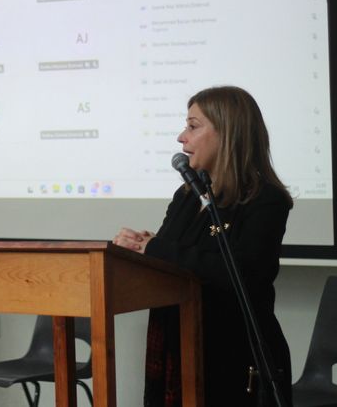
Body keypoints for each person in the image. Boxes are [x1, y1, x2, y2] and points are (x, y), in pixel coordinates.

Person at [113, 86, 293, 407]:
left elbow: (244, 273)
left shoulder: (266, 200)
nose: (181, 138)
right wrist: (136, 250)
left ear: (228, 133)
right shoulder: (185, 197)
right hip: (177, 346)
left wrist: (154, 248)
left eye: (193, 126)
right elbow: (166, 260)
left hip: (234, 352)